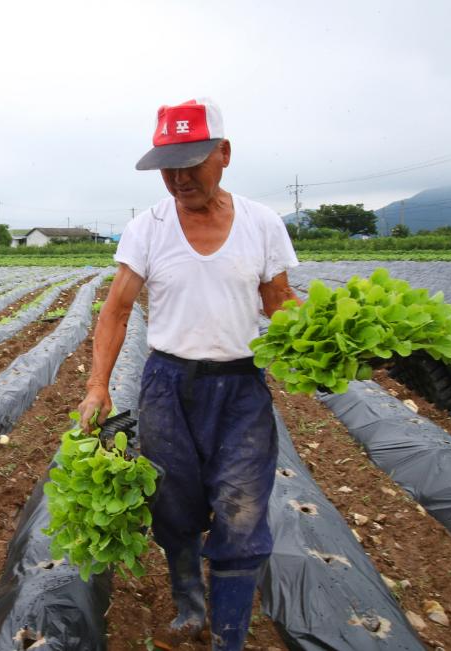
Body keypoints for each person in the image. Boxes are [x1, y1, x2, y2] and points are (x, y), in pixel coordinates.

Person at [77, 98, 300, 650]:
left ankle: (228, 635)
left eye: (191, 163)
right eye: (167, 167)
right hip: (168, 385)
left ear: (223, 154)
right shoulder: (146, 229)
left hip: (241, 388)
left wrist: (330, 346)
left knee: (242, 509)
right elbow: (116, 309)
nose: (178, 179)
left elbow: (280, 302)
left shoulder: (262, 223)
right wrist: (96, 384)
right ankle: (188, 607)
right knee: (173, 505)